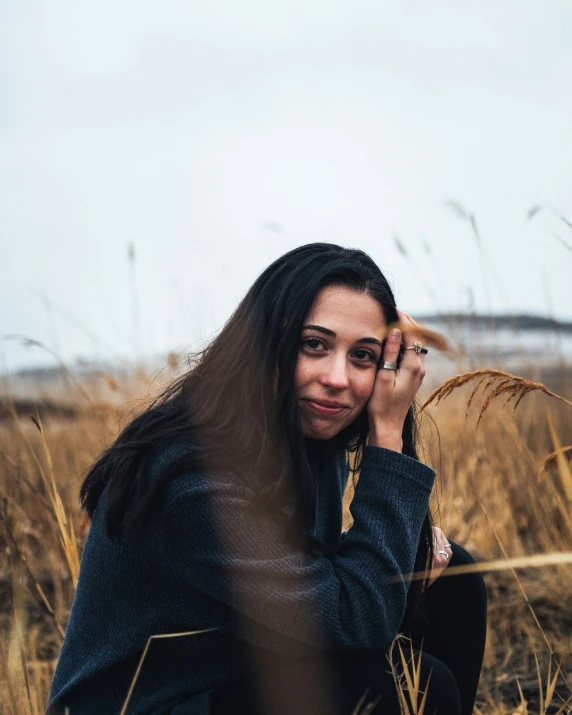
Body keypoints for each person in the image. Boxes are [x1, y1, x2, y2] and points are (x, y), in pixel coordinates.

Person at [47, 243, 487, 715]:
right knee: (401, 689)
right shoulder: (193, 477)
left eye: (362, 355)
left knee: (452, 582)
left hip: (235, 673)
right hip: (153, 703)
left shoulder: (306, 440)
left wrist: (398, 567)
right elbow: (356, 620)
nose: (337, 378)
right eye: (313, 344)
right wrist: (386, 437)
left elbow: (322, 595)